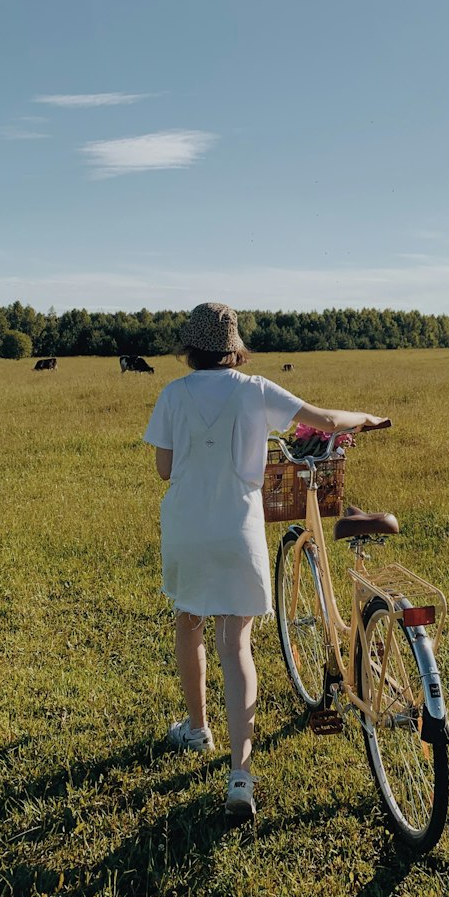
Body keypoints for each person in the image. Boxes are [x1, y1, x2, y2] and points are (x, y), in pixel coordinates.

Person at [143, 301, 388, 821]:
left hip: (187, 528)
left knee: (189, 623)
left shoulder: (172, 395)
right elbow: (322, 420)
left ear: (191, 347)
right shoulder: (255, 390)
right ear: (234, 347)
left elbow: (164, 470)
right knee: (237, 644)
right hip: (238, 529)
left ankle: (196, 729)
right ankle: (241, 777)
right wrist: (364, 418)